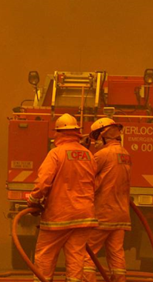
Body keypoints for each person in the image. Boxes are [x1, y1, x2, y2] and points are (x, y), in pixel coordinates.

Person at [26, 113, 98, 282]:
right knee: (76, 258)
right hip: (84, 217)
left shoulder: (56, 154)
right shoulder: (88, 155)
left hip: (58, 217)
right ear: (76, 133)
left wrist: (34, 201)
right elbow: (95, 183)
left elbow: (43, 182)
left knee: (45, 256)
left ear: (58, 132)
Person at [82, 118, 131, 282]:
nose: (95, 141)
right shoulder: (125, 154)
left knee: (87, 255)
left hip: (102, 214)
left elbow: (85, 177)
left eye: (96, 137)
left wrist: (83, 150)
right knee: (116, 254)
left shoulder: (102, 155)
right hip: (120, 215)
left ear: (103, 136)